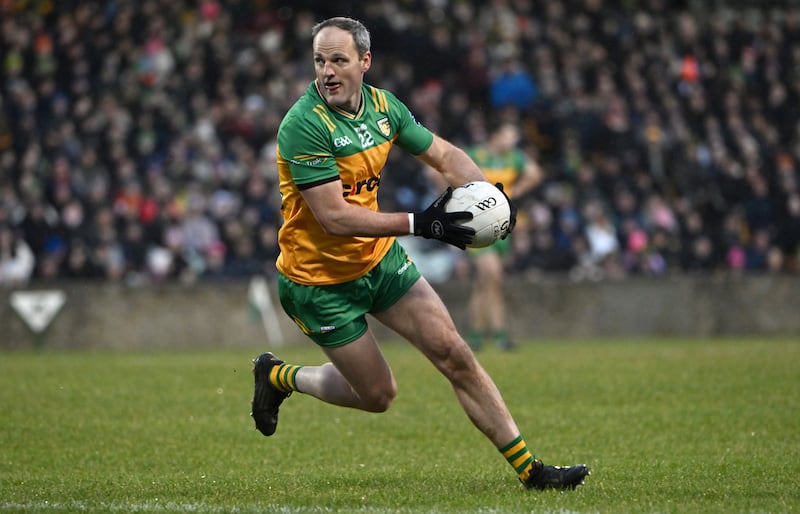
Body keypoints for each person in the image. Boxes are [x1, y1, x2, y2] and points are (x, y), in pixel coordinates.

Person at [251, 16, 589, 491]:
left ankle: (531, 470)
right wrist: (421, 223)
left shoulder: (384, 108)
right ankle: (280, 376)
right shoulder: (303, 126)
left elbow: (447, 158)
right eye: (320, 61)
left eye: (339, 60)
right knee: (378, 395)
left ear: (365, 62)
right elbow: (336, 219)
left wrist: (490, 197)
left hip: (378, 261)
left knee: (455, 353)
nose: (327, 71)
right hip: (317, 282)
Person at [464, 121, 543, 350]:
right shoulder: (475, 154)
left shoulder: (513, 158)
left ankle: (476, 337)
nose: (513, 141)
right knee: (494, 275)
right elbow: (436, 171)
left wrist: (516, 191)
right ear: (495, 136)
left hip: (500, 224)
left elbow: (535, 173)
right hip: (475, 224)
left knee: (484, 283)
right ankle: (500, 335)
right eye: (509, 136)